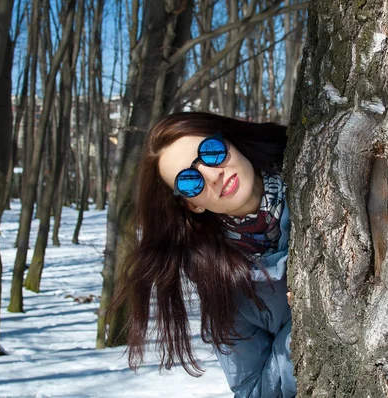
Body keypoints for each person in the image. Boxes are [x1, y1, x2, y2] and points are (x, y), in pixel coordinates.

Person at [110, 112, 296, 397]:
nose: (212, 175)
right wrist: (304, 326)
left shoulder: (312, 164)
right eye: (188, 182)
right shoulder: (221, 283)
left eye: (211, 152)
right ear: (192, 205)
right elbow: (252, 391)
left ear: (230, 141)